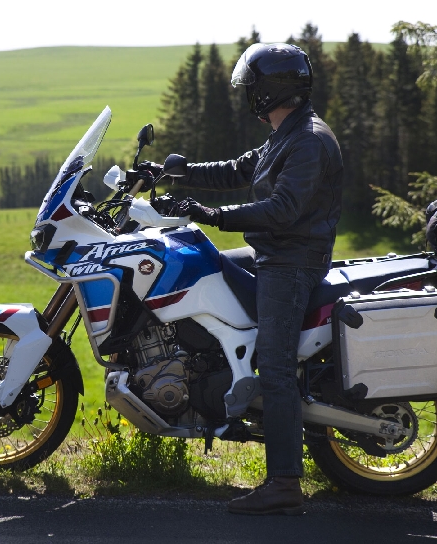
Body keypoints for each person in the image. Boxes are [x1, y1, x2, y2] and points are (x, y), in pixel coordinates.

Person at [145, 43, 343, 515]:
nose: (247, 93)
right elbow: (238, 169)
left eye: (252, 86)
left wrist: (208, 213)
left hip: (291, 263)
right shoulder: (287, 132)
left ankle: (284, 484)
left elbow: (282, 210)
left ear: (270, 89)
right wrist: (176, 175)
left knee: (274, 367)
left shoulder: (309, 141)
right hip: (273, 252)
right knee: (199, 265)